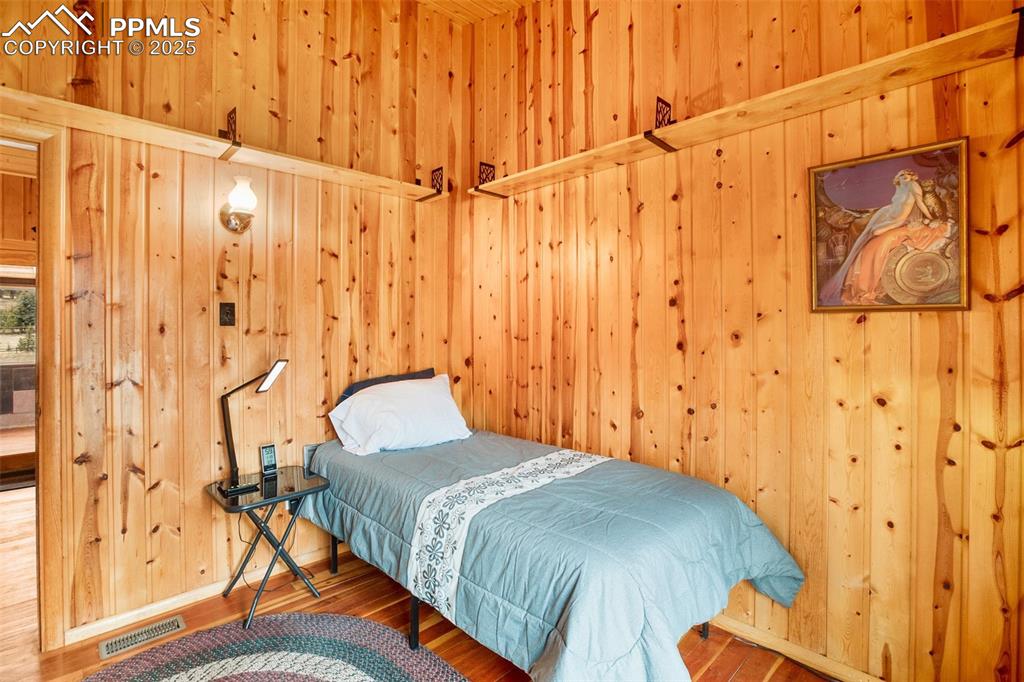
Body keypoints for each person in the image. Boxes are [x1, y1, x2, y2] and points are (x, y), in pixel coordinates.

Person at [818, 169, 933, 305]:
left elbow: (919, 203)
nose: (904, 177)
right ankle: (856, 285)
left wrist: (931, 218)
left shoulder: (912, 185)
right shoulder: (900, 186)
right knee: (868, 231)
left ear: (912, 176)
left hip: (898, 221)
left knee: (874, 235)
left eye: (907, 174)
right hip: (889, 216)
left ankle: (864, 287)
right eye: (901, 175)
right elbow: (896, 205)